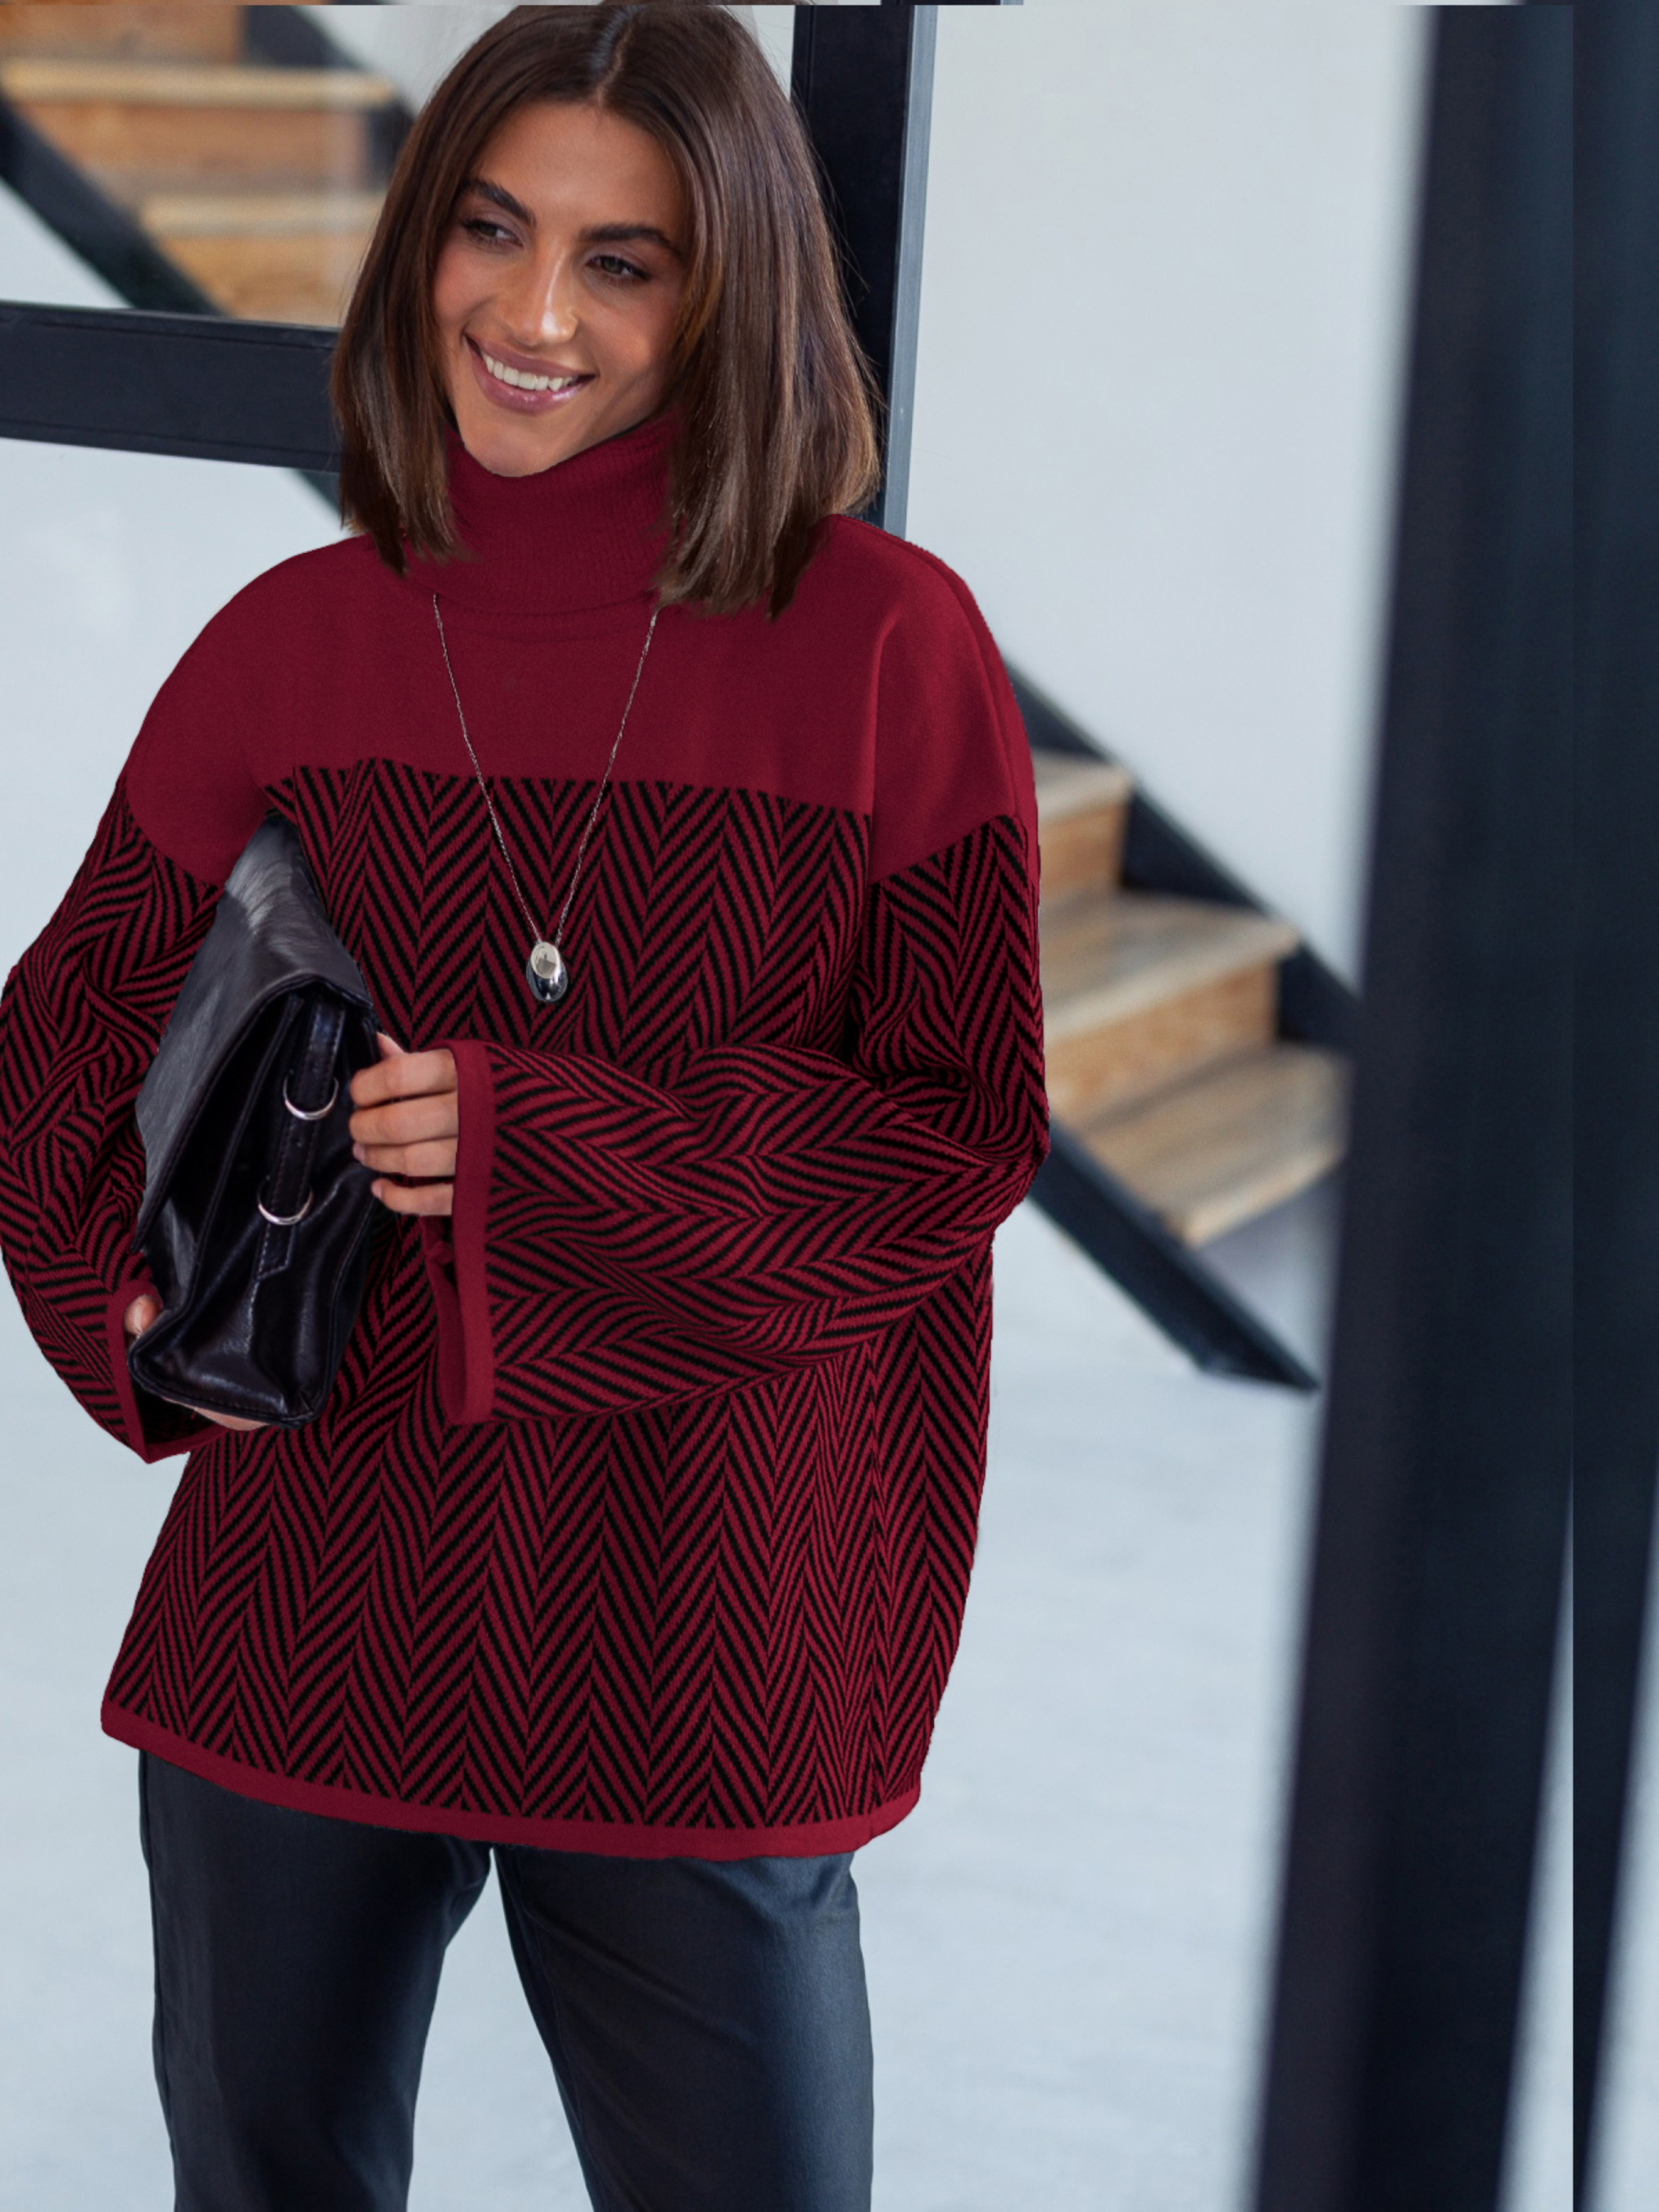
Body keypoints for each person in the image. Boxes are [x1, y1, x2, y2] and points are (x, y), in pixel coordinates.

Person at [0, 6, 1047, 2208]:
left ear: (729, 292)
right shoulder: (293, 639)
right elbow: (64, 1034)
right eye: (489, 230)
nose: (535, 313)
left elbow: (957, 1126)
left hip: (707, 1612)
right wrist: (135, 1313)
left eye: (622, 260)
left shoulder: (888, 646)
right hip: (311, 1584)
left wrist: (541, 1149)